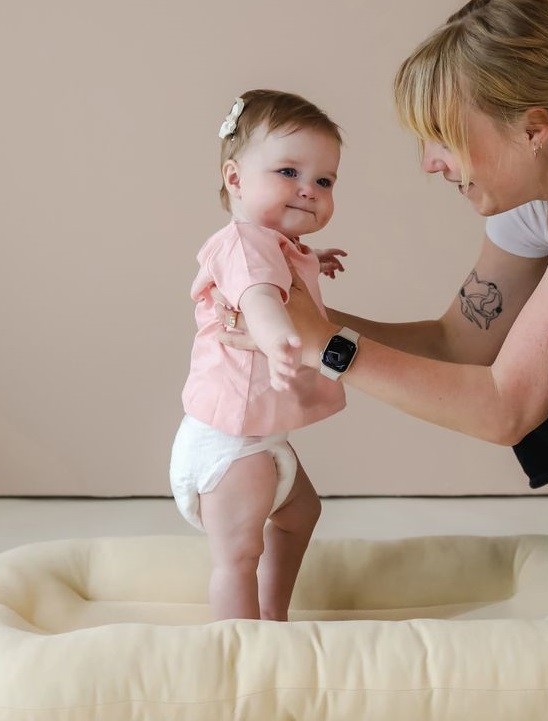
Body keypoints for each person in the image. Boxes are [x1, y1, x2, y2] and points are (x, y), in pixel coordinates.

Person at [221, 1, 548, 717]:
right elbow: (462, 342)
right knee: (543, 341)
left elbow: (503, 404)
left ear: (533, 125)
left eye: (442, 138)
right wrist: (290, 315)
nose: (429, 163)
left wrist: (324, 345)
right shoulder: (535, 187)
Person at [170, 89, 348, 622]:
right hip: (228, 445)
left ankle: (273, 619)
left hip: (260, 437)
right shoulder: (242, 246)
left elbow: (273, 271)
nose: (308, 190)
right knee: (238, 556)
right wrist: (275, 339)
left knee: (301, 515)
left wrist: (312, 257)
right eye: (289, 172)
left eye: (324, 181)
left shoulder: (271, 244)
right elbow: (258, 296)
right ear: (235, 179)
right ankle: (241, 648)